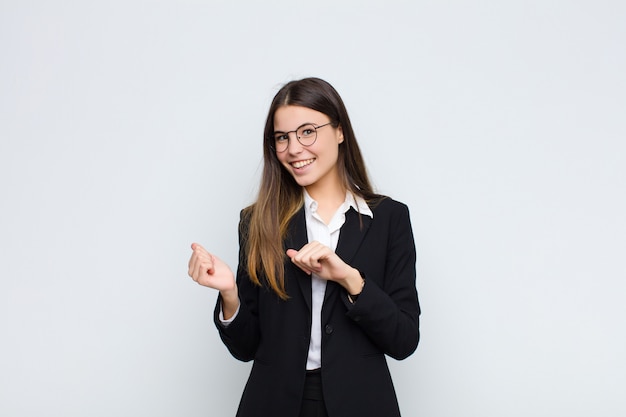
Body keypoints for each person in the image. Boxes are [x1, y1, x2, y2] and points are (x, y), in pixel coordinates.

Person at [187, 77, 420, 417]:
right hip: (273, 404)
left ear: (339, 131)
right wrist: (229, 294)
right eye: (282, 137)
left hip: (362, 403)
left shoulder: (389, 218)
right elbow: (246, 347)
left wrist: (350, 279)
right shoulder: (257, 222)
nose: (293, 148)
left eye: (307, 131)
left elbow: (404, 340)